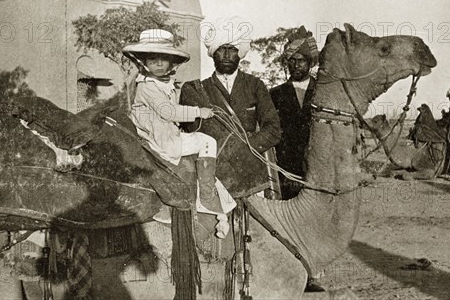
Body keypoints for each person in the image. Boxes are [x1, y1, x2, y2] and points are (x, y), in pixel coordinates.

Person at [125, 29, 235, 238]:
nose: (158, 64)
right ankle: (206, 193)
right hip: (162, 141)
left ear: (171, 63)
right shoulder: (147, 87)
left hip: (163, 135)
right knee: (207, 141)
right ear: (144, 63)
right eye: (152, 59)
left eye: (163, 59)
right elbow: (168, 112)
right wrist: (198, 112)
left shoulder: (160, 84)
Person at [180, 17, 282, 197]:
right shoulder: (195, 90)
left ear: (239, 54)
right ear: (213, 53)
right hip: (212, 174)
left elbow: (273, 129)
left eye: (232, 49)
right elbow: (192, 130)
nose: (226, 55)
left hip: (252, 174)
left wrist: (246, 148)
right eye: (221, 49)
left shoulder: (255, 85)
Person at [270, 26, 319, 199]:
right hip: (286, 168)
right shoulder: (274, 94)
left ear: (310, 62)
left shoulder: (322, 92)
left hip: (318, 166)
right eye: (291, 60)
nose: (296, 65)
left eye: (301, 60)